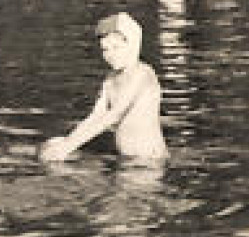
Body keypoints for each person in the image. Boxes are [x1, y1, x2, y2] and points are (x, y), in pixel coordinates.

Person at [38, 13, 168, 163]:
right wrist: (66, 142)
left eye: (116, 47)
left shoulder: (143, 74)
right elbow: (96, 116)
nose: (110, 54)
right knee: (54, 142)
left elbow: (115, 115)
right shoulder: (110, 79)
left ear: (132, 44)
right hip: (127, 159)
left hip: (150, 161)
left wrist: (67, 147)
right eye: (105, 49)